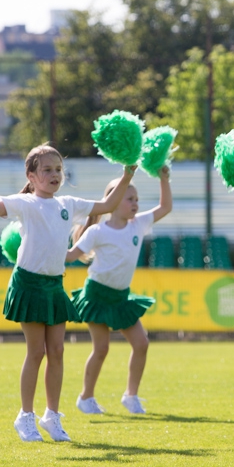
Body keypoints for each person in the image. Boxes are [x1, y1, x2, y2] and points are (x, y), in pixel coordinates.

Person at [0, 144, 136, 442]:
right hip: (28, 284)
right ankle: (25, 416)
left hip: (54, 285)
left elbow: (107, 205)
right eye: (47, 170)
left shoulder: (68, 203)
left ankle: (51, 417)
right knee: (36, 352)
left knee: (57, 351)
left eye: (58, 169)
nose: (55, 174)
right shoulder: (25, 203)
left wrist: (127, 175)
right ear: (31, 176)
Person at [66, 165, 172, 416]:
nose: (135, 203)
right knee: (101, 349)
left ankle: (131, 396)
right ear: (112, 202)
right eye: (129, 199)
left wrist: (164, 179)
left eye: (136, 199)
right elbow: (70, 256)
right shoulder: (97, 231)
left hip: (121, 297)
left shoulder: (138, 224)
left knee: (141, 343)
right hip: (97, 295)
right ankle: (86, 397)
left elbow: (165, 207)